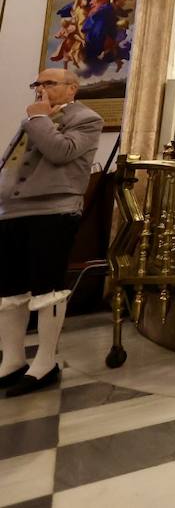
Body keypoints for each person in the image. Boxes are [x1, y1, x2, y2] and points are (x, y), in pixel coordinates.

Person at [0, 69, 102, 397]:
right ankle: (12, 360)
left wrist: (39, 120)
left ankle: (45, 362)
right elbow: (14, 161)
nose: (41, 89)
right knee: (10, 289)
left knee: (48, 288)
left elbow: (61, 152)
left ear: (72, 89)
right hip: (14, 210)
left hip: (54, 209)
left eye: (49, 83)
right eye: (38, 84)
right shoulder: (37, 117)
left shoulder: (87, 118)